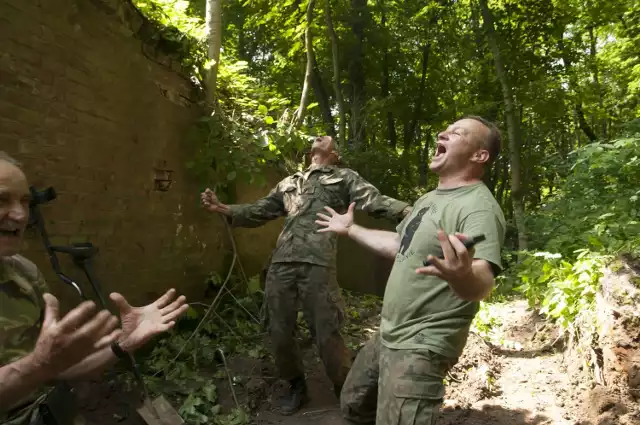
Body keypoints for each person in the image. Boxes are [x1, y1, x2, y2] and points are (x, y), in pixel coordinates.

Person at [200, 136, 412, 415]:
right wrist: (224, 209)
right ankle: (295, 384)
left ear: (334, 154)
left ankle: (344, 388)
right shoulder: (289, 183)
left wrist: (411, 211)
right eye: (315, 138)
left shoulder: (344, 177)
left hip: (318, 264)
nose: (318, 137)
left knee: (327, 331)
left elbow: (373, 200)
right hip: (281, 264)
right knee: (278, 330)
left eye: (326, 137)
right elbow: (260, 210)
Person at [315, 117, 506, 425]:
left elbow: (483, 277)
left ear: (479, 155)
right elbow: (399, 243)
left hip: (422, 343)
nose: (443, 133)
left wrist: (463, 276)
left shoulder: (478, 207)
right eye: (446, 129)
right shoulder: (430, 199)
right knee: (354, 403)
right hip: (389, 332)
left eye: (457, 133)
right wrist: (351, 230)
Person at [0, 151, 189, 425]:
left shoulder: (24, 274)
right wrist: (38, 365)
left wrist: (124, 343)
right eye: (2, 199)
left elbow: (55, 370)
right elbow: (42, 366)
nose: (20, 215)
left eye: (26, 202)